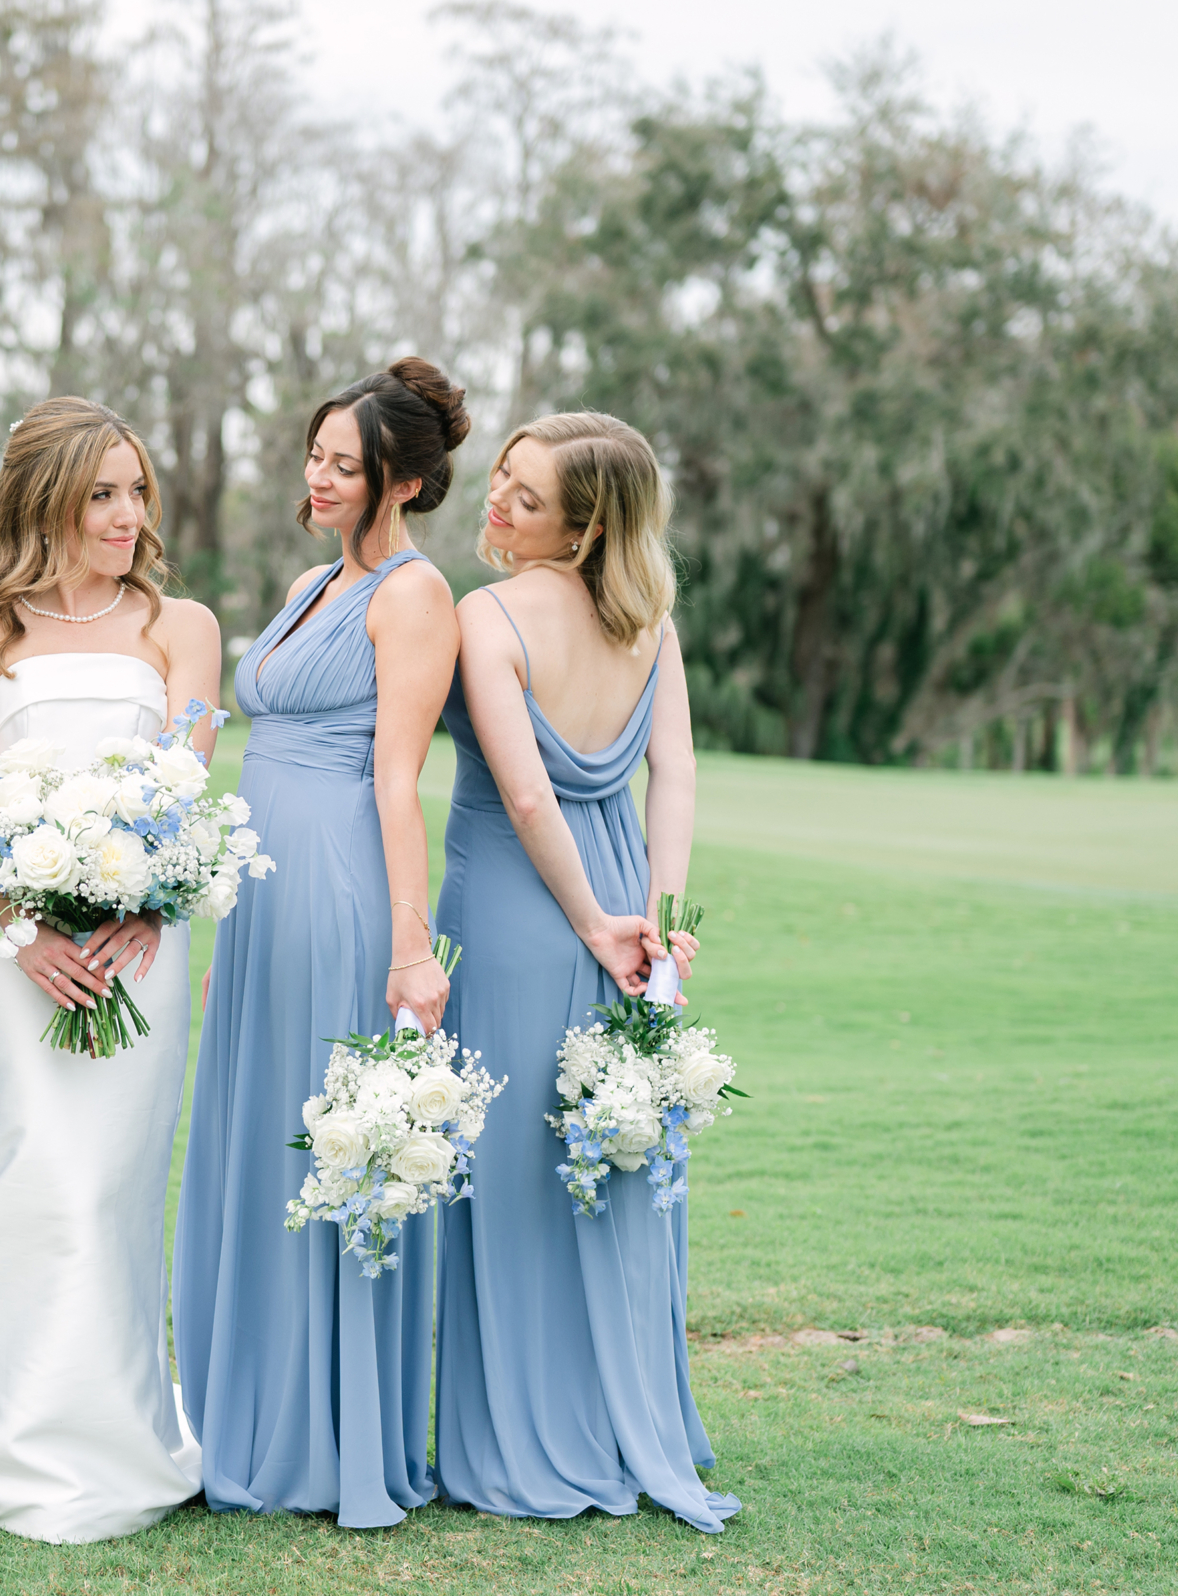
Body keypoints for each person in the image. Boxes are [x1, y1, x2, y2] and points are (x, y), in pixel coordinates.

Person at [0, 397, 220, 1543]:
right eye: (102, 494)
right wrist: (24, 931)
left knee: (112, 1187)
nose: (128, 515)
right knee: (37, 1174)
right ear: (46, 501)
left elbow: (187, 794)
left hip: (141, 951)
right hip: (11, 951)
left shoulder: (182, 626)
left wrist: (154, 906)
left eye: (137, 491)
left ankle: (110, 1429)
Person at [172, 357, 466, 1528]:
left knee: (321, 1141)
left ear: (402, 479)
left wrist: (411, 946)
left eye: (348, 465)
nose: (322, 476)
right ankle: (243, 1411)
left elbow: (399, 783)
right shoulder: (308, 581)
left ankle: (324, 1434)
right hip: (261, 888)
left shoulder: (414, 595)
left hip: (342, 879)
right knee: (256, 1134)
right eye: (317, 455)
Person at [430, 411, 735, 1533]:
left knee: (514, 1170)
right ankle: (619, 1417)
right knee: (607, 1158)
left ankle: (519, 1439)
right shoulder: (647, 619)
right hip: (613, 891)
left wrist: (607, 924)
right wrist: (653, 915)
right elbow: (677, 775)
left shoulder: (487, 613)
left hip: (523, 904)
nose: (496, 505)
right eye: (499, 480)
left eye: (525, 496)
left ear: (584, 522)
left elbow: (523, 795)